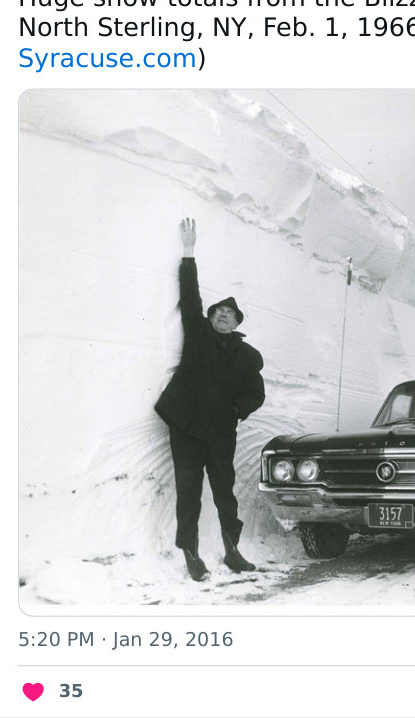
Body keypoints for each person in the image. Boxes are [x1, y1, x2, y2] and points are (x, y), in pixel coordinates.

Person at [155, 218, 265, 580]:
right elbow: (190, 295)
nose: (222, 315)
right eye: (218, 311)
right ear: (211, 317)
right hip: (185, 425)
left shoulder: (248, 356)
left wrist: (236, 409)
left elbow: (256, 393)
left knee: (224, 495)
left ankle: (233, 551)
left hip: (219, 431)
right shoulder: (198, 333)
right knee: (189, 491)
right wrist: (189, 253)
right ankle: (191, 553)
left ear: (236, 324)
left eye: (229, 315)